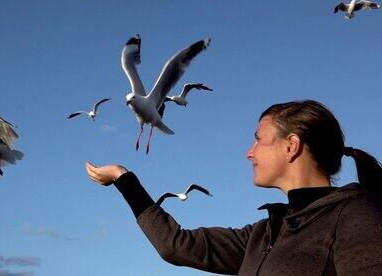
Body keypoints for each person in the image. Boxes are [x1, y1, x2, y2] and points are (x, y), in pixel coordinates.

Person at [86, 100, 382, 275]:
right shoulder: (264, 234)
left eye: (259, 139)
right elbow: (175, 246)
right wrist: (123, 178)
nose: (249, 152)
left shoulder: (356, 218)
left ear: (291, 146)